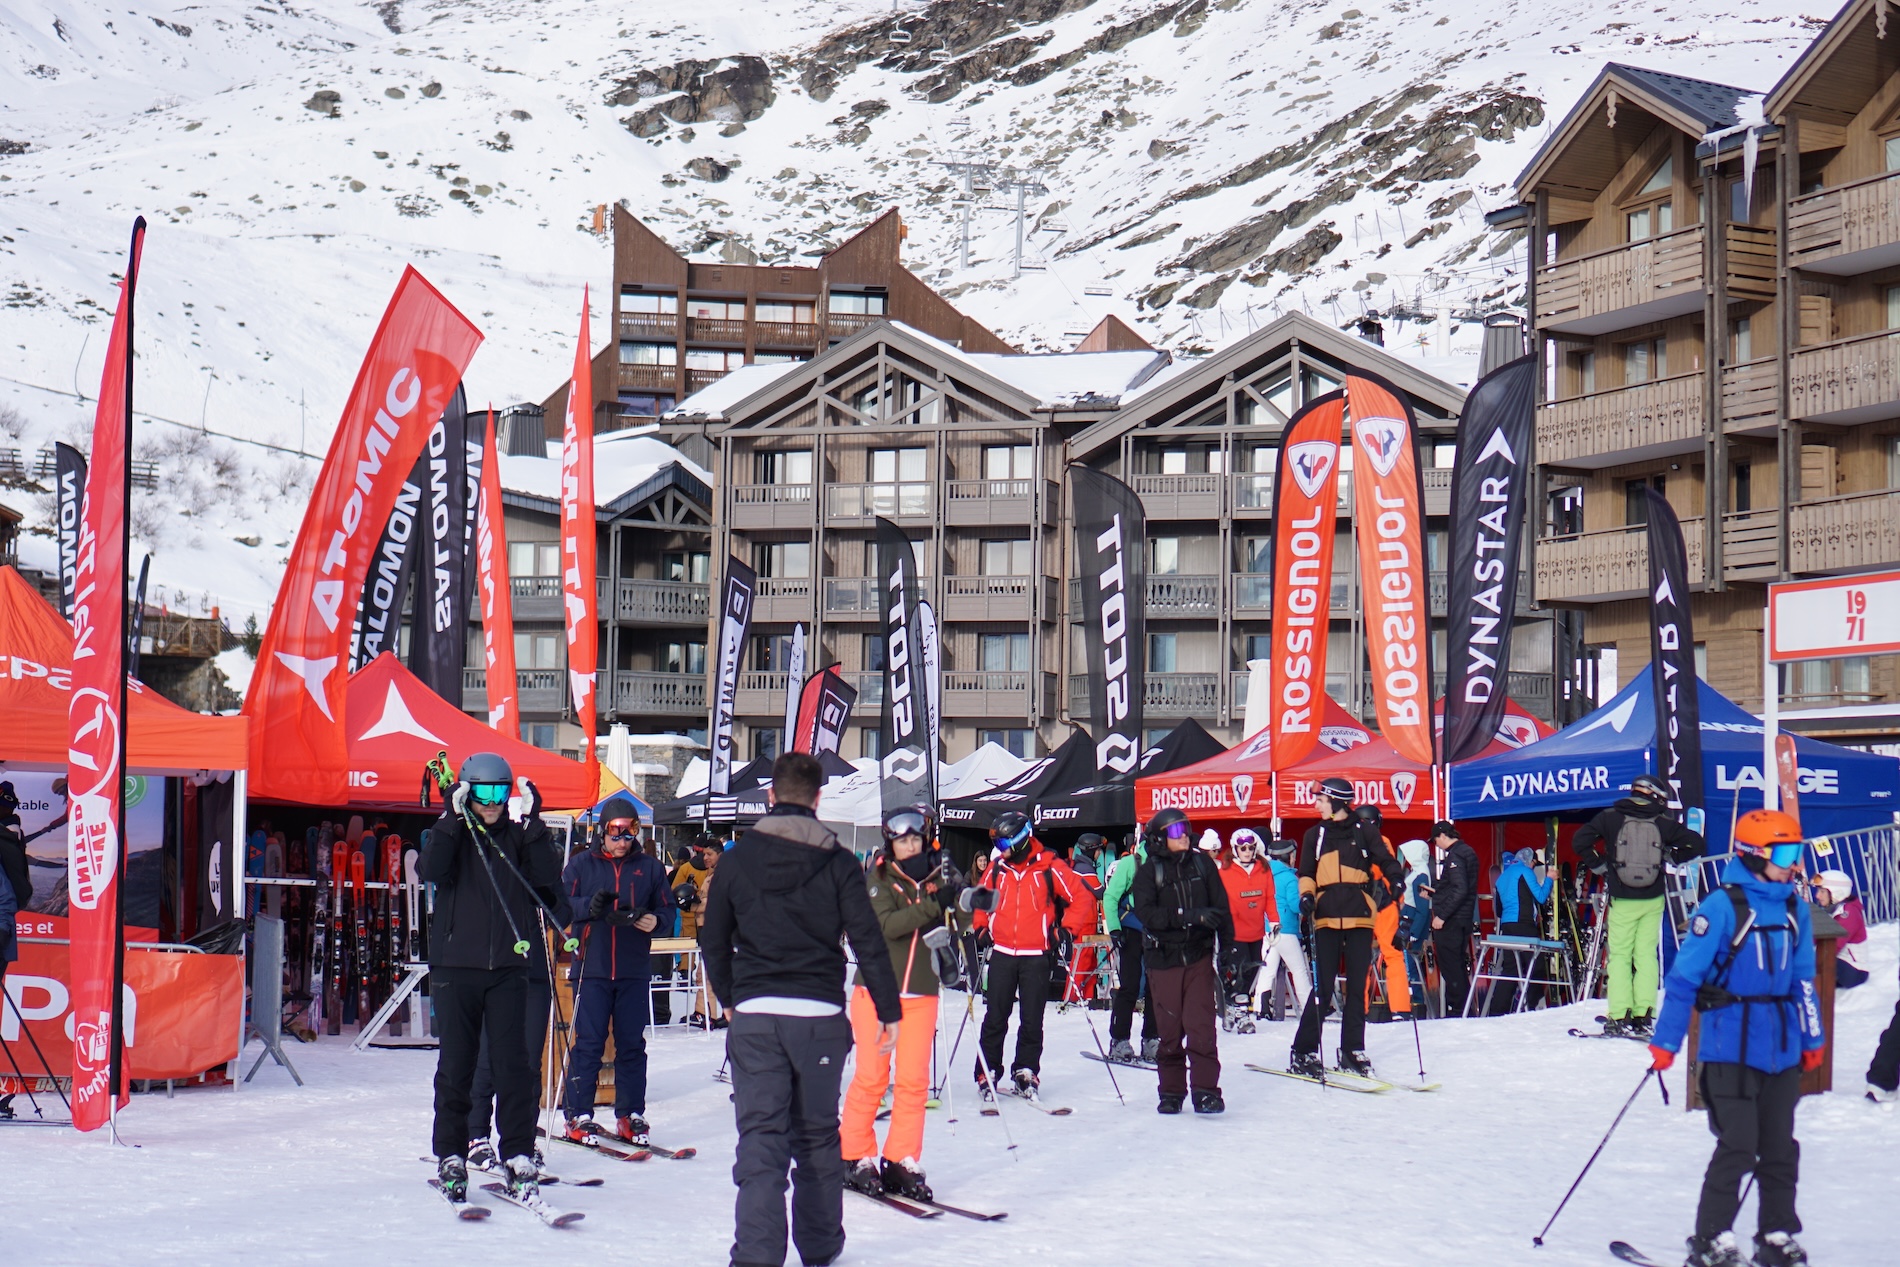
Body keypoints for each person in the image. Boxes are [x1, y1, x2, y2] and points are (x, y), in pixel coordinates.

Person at [699, 752, 901, 1267]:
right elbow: (867, 938)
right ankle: (820, 1247)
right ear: (817, 798)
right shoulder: (837, 861)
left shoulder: (738, 858)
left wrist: (729, 998)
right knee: (815, 1137)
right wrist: (888, 1010)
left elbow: (713, 937)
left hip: (758, 1013)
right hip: (817, 1017)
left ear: (771, 796)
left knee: (762, 1139)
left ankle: (757, 1256)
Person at [1648, 810, 1823, 1267]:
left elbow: (1804, 977)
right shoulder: (1722, 906)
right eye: (1785, 852)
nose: (1793, 862)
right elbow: (1684, 978)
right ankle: (1711, 1238)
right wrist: (1666, 1043)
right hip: (1729, 1046)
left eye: (1797, 851)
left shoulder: (1793, 907)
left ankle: (1777, 1234)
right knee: (1740, 1144)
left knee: (1781, 1147)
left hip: (1781, 1047)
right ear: (1752, 853)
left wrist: (1812, 1038)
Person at [421, 753, 563, 1209]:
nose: (492, 803)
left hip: (508, 968)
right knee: (457, 1066)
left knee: (514, 1067)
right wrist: (450, 815)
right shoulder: (453, 834)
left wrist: (537, 823)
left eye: (500, 792)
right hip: (455, 968)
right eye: (482, 793)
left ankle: (518, 1152)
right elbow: (430, 870)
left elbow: (548, 884)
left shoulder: (518, 838)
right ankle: (452, 1154)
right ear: (466, 790)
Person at [840, 806, 964, 1203]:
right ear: (889, 844)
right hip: (877, 993)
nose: (909, 846)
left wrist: (959, 898)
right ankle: (855, 1154)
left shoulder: (936, 875)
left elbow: (961, 919)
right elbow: (889, 927)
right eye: (901, 840)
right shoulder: (878, 879)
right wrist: (934, 905)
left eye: (914, 839)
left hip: (921, 993)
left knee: (912, 1083)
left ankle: (900, 1157)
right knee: (873, 1078)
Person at [560, 796, 675, 1144]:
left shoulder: (650, 868)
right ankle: (578, 1114)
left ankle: (630, 1113)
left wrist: (656, 921)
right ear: (602, 831)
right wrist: (588, 908)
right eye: (616, 831)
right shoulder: (581, 865)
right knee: (589, 1043)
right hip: (592, 967)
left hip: (632, 968)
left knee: (630, 1044)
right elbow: (559, 907)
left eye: (631, 831)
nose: (623, 839)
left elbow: (667, 911)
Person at [965, 810, 1096, 1102]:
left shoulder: (1049, 866)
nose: (1000, 851)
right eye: (997, 846)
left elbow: (1083, 897)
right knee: (996, 1016)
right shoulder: (999, 868)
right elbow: (980, 899)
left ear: (1022, 839)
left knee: (1032, 1018)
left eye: (1003, 844)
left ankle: (1025, 1069)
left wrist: (1066, 929)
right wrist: (981, 927)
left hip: (1036, 954)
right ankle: (988, 1070)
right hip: (1002, 953)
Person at [1573, 774, 1707, 1037]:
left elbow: (1580, 841)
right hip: (1653, 897)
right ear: (1655, 796)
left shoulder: (1609, 817)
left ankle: (1618, 1016)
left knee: (1620, 956)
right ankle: (1643, 1015)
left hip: (1622, 897)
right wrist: (1671, 855)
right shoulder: (1663, 822)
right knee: (1646, 955)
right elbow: (1697, 843)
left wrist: (1601, 866)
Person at [1290, 777, 1403, 1078]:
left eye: (1321, 800)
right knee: (1323, 987)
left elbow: (1386, 860)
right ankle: (1304, 1050)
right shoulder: (1314, 834)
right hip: (1326, 915)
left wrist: (1398, 879)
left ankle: (1352, 1049)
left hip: (1359, 915)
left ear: (1336, 801)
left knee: (1357, 986)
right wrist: (1306, 896)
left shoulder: (1365, 831)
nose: (1316, 805)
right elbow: (1306, 872)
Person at [1132, 808, 1232, 1113]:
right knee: (1170, 1031)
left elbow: (1222, 909)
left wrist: (1229, 951)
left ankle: (1205, 1091)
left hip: (1199, 956)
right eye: (1176, 832)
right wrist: (1188, 916)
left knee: (1201, 1028)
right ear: (1161, 838)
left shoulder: (1203, 864)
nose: (1184, 836)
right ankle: (1171, 1092)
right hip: (1164, 960)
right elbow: (1147, 915)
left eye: (1186, 829)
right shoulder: (1150, 871)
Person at [1102, 831, 1159, 1063]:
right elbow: (1111, 896)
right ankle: (1119, 1039)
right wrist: (1114, 929)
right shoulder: (1131, 862)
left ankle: (1152, 1039)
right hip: (1132, 930)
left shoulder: (1168, 864)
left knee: (1157, 988)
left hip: (1157, 931)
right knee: (1130, 986)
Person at [1217, 828, 1274, 1034]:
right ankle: (1242, 1015)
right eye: (1243, 848)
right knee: (1238, 973)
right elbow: (1222, 900)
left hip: (1256, 931)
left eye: (1250, 847)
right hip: (1234, 933)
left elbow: (1269, 898)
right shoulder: (1225, 872)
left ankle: (1233, 1005)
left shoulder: (1263, 869)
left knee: (1251, 972)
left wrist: (1274, 922)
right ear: (1235, 849)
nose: (1247, 851)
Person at [1357, 806, 1412, 1020]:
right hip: (1384, 906)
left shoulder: (1349, 843)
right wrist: (1399, 903)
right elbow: (1391, 874)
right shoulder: (1382, 841)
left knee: (1359, 958)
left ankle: (1358, 1009)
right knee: (1393, 955)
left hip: (1359, 906)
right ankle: (1399, 1008)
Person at [1424, 820, 1481, 1017]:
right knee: (1456, 964)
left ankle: (1458, 1009)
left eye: (1435, 841)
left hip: (1453, 920)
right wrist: (1436, 894)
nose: (1436, 845)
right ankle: (1463, 1009)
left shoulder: (1456, 855)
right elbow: (1459, 887)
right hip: (1463, 917)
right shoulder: (1468, 851)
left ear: (1442, 836)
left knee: (1450, 965)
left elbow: (1460, 888)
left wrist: (1442, 915)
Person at [1255, 838, 1311, 1021]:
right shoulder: (1289, 877)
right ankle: (1308, 1008)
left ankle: (1260, 1008)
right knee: (1299, 970)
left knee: (1267, 970)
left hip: (1267, 929)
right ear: (1288, 856)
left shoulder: (1263, 873)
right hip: (1286, 930)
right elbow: (1295, 905)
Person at [674, 839, 727, 1029]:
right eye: (703, 854)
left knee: (706, 974)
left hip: (715, 928)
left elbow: (715, 901)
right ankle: (709, 1013)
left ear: (719, 854)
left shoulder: (721, 875)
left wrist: (693, 904)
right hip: (709, 928)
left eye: (709, 854)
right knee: (707, 973)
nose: (705, 858)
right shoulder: (713, 874)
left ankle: (705, 1013)